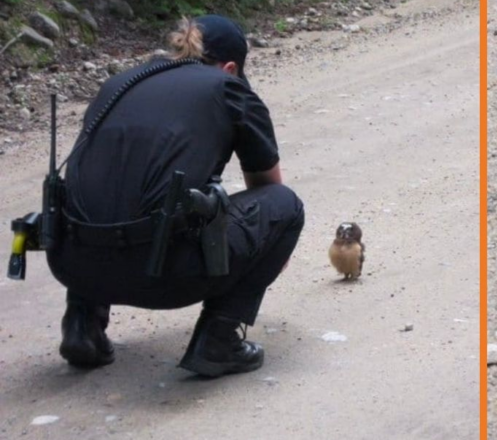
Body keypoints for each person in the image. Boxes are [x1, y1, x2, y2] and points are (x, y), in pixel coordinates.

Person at [45, 15, 305, 377]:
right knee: (286, 206)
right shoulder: (229, 88)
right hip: (163, 275)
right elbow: (268, 186)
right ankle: (219, 340)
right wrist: (267, 247)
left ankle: (82, 328)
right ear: (230, 67)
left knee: (110, 191)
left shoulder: (118, 84)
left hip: (72, 264)